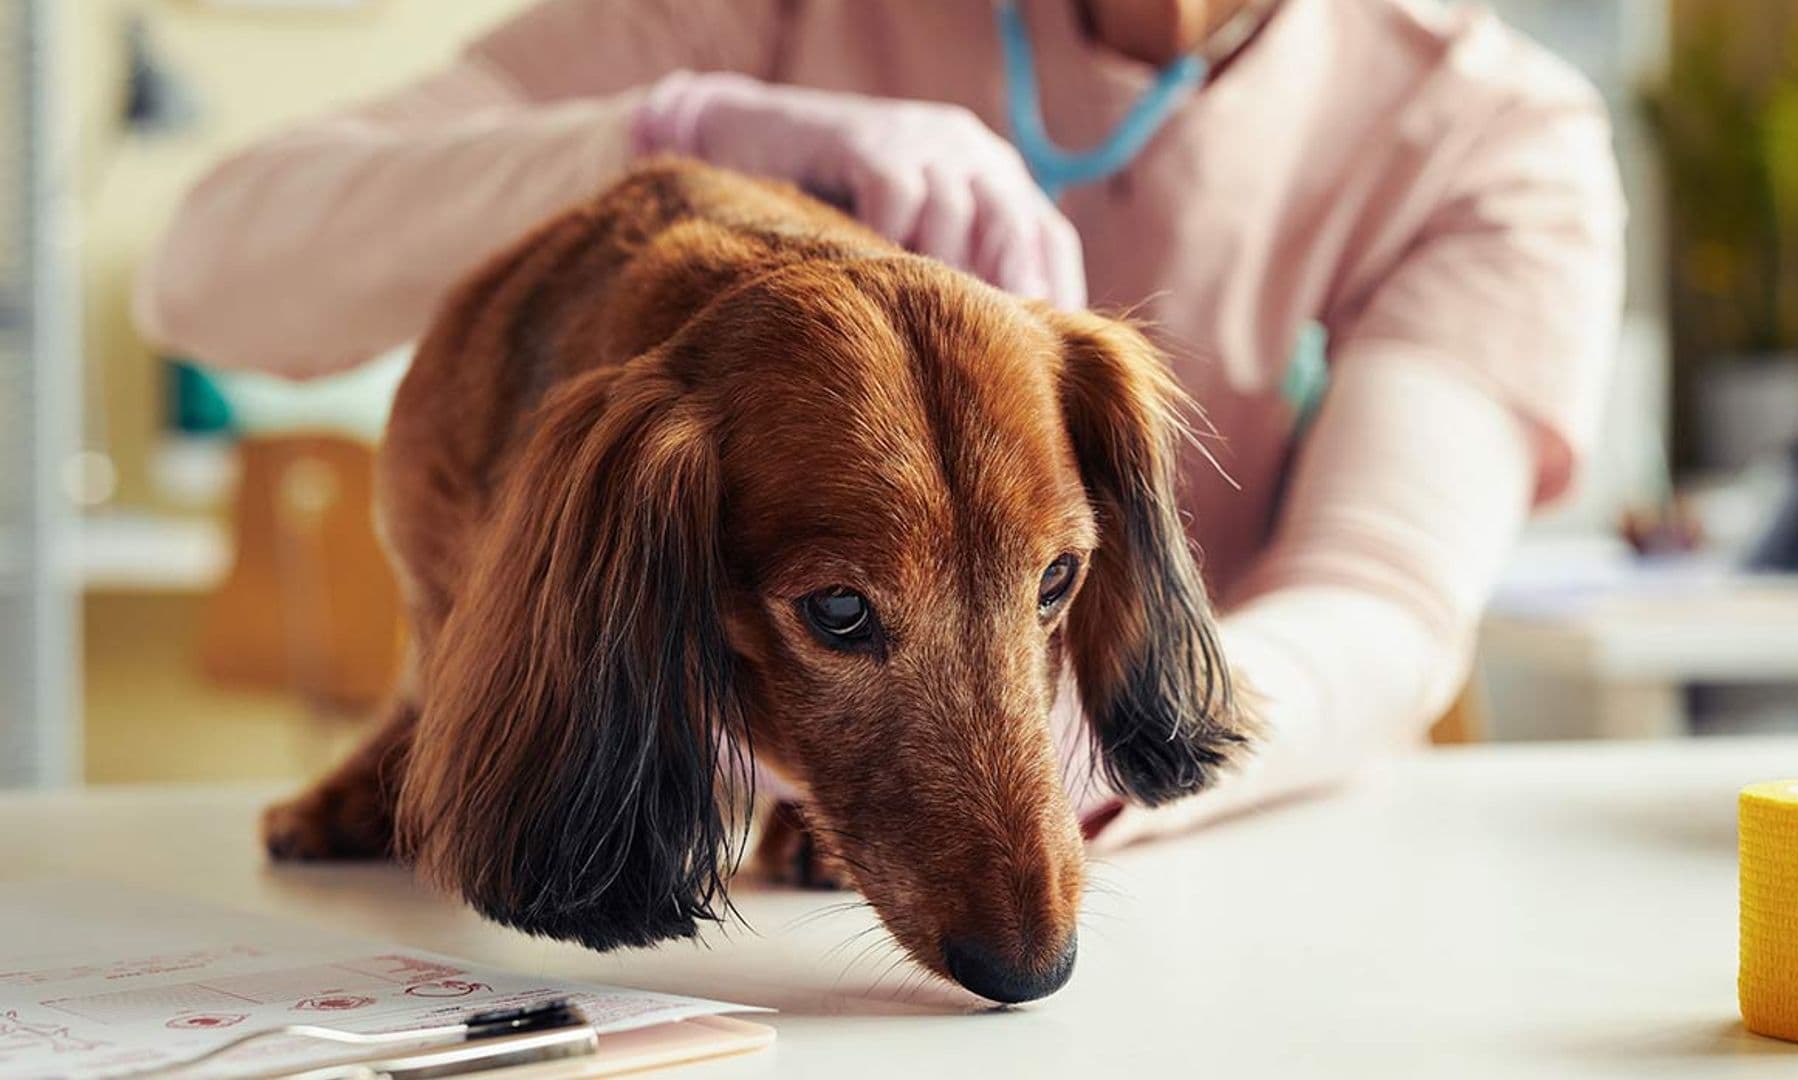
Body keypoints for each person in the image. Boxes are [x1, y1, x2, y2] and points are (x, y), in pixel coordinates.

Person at [135, 0, 1624, 849]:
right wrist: (675, 133)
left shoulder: (1493, 138)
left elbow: (1380, 603)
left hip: (1186, 892)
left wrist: (1052, 764)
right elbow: (207, 274)